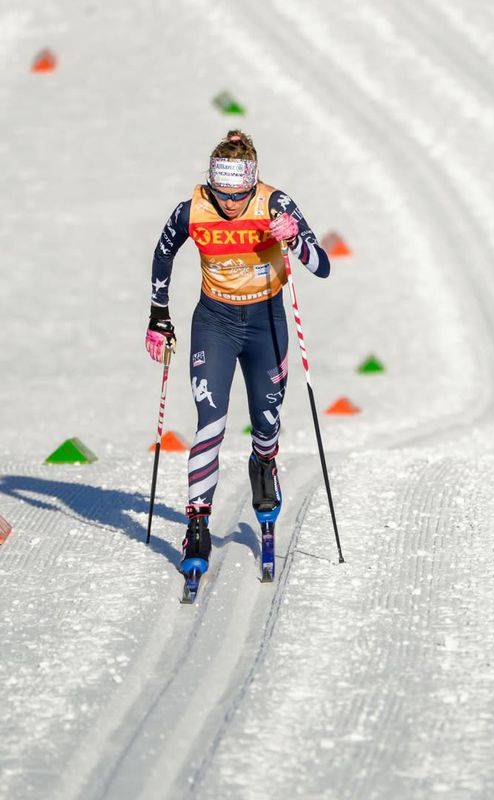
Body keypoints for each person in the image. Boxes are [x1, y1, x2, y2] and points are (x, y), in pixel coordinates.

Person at [144, 130, 331, 575]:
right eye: (222, 194)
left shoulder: (276, 204)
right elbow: (163, 253)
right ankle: (198, 524)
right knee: (211, 420)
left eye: (239, 195)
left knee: (267, 420)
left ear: (254, 184)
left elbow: (322, 266)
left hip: (266, 321)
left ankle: (263, 463)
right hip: (215, 322)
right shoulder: (193, 209)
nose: (230, 204)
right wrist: (159, 316)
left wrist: (295, 239)